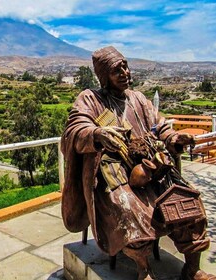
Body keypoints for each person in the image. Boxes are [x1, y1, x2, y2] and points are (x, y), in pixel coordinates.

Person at [61, 46, 215, 280]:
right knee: (128, 209)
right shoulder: (90, 99)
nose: (125, 72)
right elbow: (75, 128)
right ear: (104, 75)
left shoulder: (138, 99)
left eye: (125, 66)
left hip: (151, 168)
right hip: (113, 174)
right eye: (116, 70)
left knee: (188, 200)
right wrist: (97, 134)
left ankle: (192, 268)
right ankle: (144, 269)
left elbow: (160, 125)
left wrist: (173, 138)